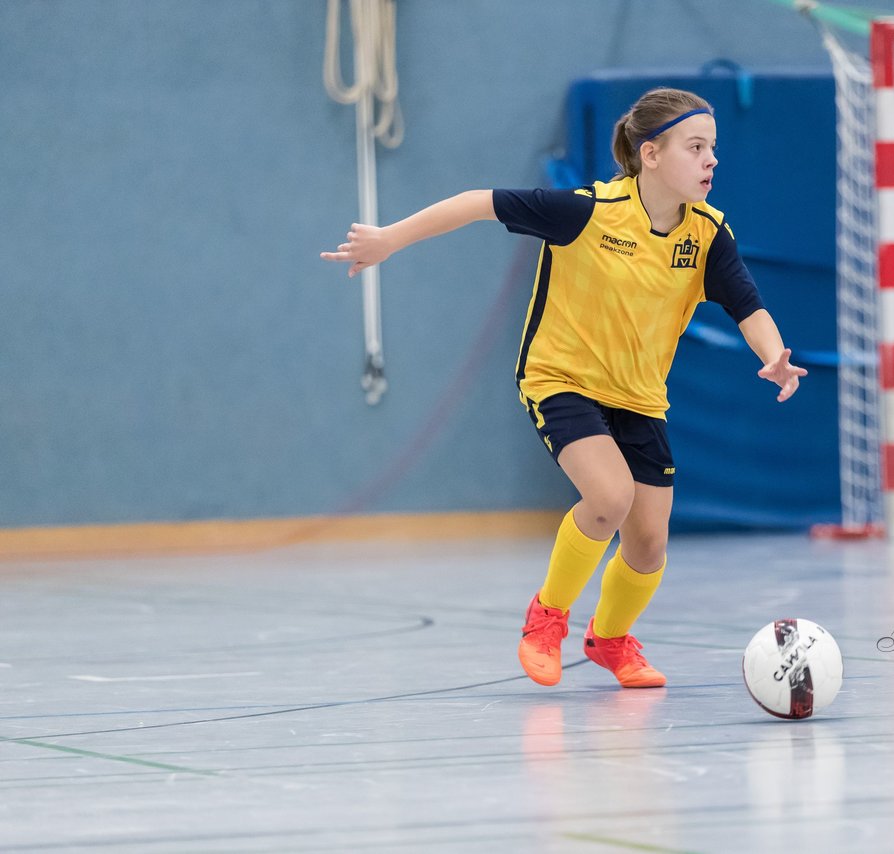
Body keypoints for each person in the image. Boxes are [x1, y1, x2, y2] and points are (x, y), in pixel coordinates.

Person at [321, 88, 807, 690]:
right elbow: (479, 202)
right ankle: (546, 617)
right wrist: (390, 238)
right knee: (609, 497)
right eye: (696, 146)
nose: (711, 160)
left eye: (713, 149)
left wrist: (774, 357)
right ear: (650, 154)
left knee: (650, 545)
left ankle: (609, 640)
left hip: (639, 396)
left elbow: (746, 304)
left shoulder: (707, 235)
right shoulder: (587, 211)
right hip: (562, 379)